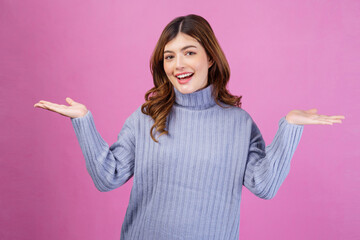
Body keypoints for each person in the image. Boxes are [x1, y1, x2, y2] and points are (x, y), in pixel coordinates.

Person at [34, 14, 345, 240]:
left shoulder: (238, 124)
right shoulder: (146, 118)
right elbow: (108, 177)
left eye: (189, 52)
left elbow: (264, 185)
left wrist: (289, 127)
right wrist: (83, 121)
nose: (178, 65)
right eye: (169, 56)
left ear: (210, 58)